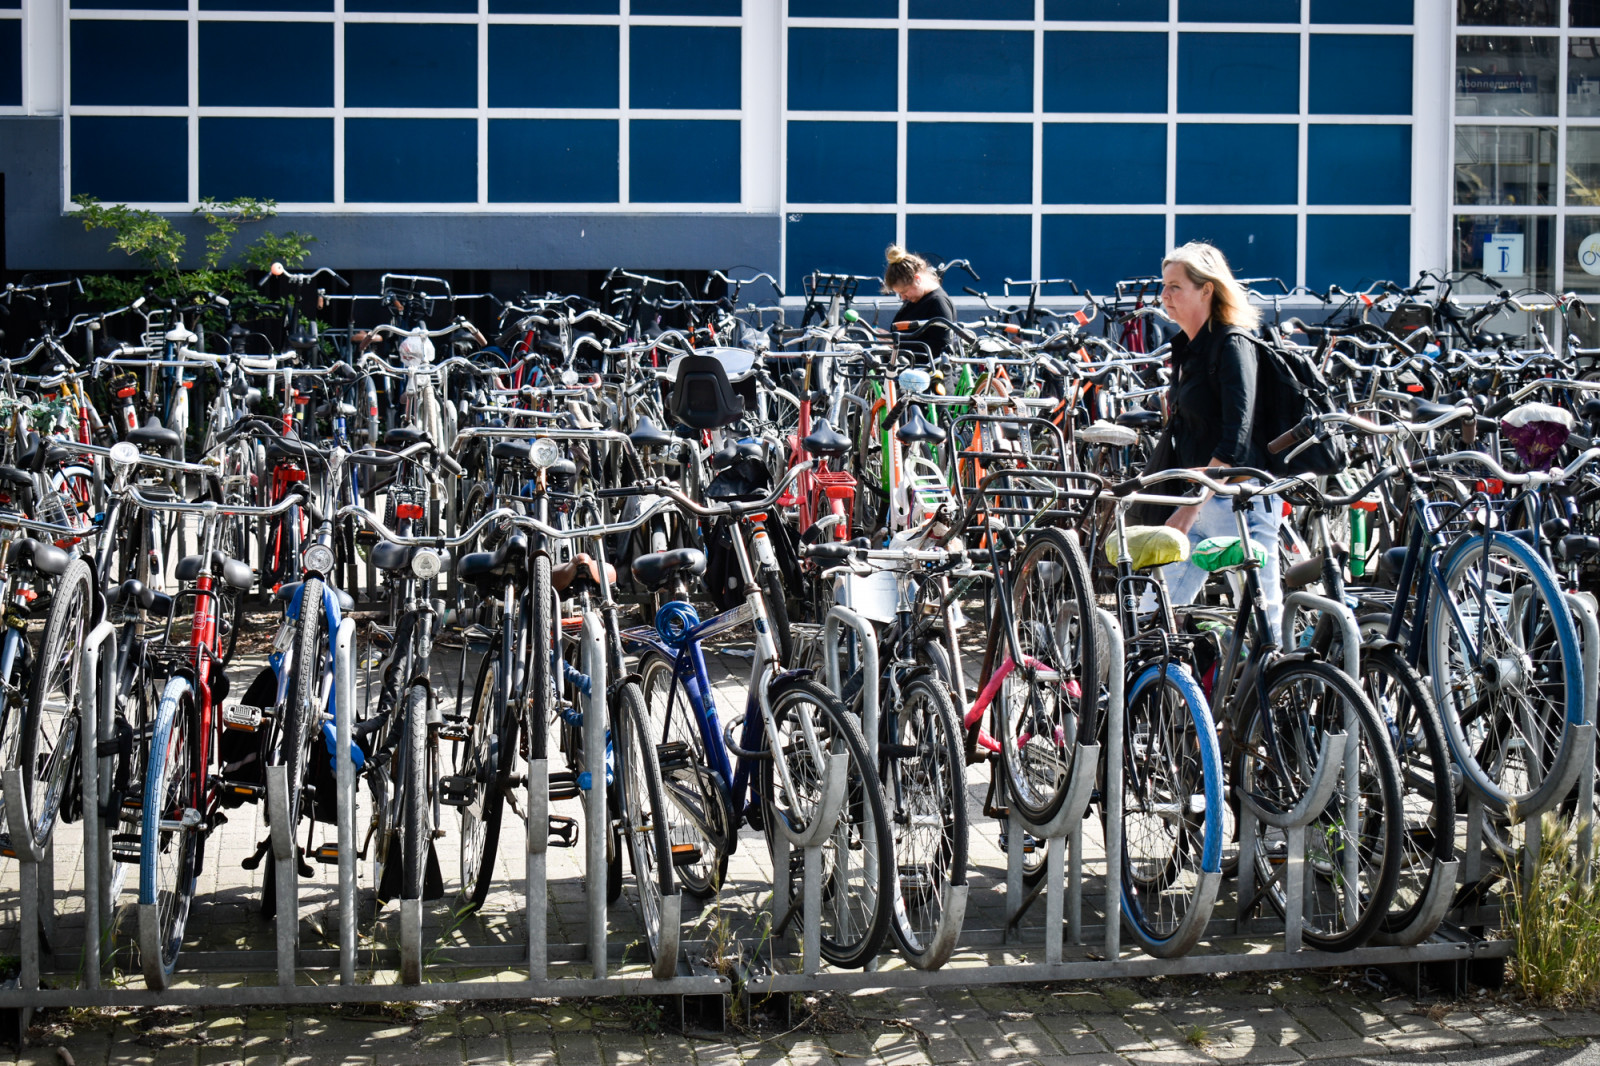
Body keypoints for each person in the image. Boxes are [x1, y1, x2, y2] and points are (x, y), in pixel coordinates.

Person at [1154, 241, 1283, 637]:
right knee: (1153, 616)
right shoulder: (1188, 348)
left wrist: (1191, 507)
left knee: (1264, 625)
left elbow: (1236, 439)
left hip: (1237, 503)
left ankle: (1282, 690)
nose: (1164, 297)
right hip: (1200, 497)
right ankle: (1159, 694)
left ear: (1206, 289)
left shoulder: (1233, 343)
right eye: (1163, 286)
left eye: (1175, 287)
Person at [884, 245, 957, 355]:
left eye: (904, 292)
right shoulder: (918, 299)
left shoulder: (938, 302)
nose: (903, 298)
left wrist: (896, 344)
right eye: (899, 294)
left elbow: (941, 347)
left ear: (917, 279)